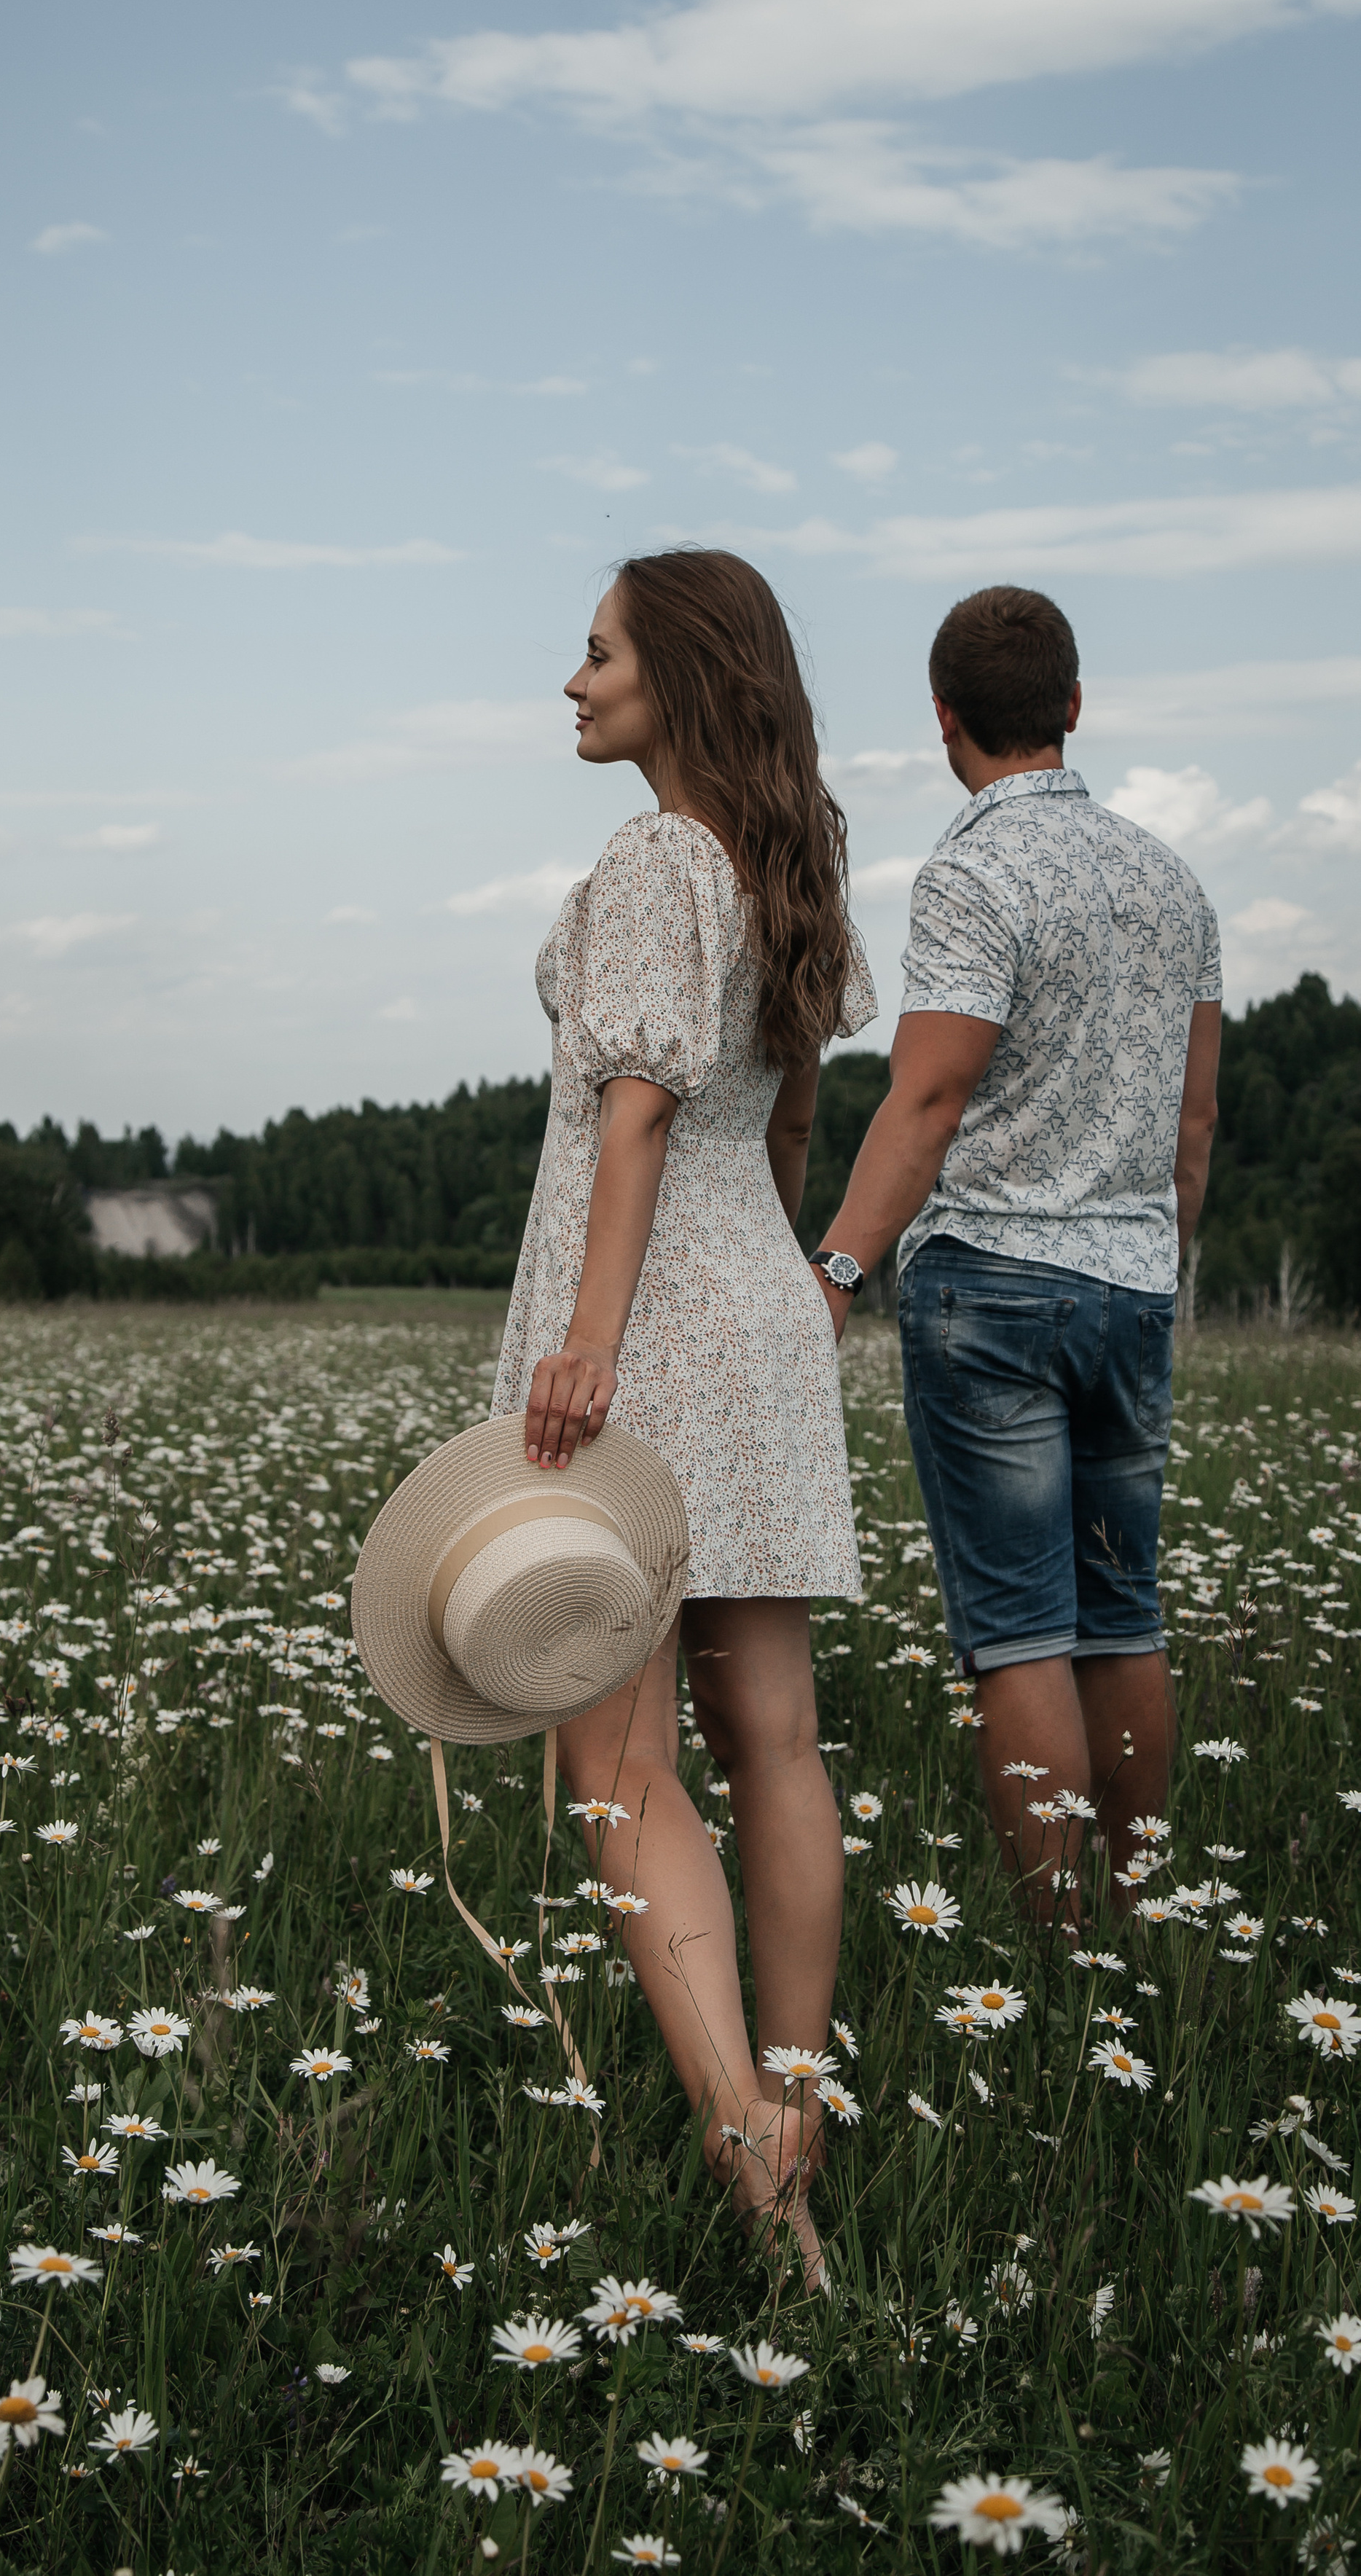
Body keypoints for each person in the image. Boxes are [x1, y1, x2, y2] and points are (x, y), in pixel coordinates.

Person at [492, 546, 875, 2287]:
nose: (570, 686)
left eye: (593, 657)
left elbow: (633, 1120)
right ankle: (796, 2111)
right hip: (759, 1301)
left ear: (680, 674)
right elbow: (787, 1116)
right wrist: (787, 1273)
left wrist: (584, 1345)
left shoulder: (654, 851)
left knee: (612, 1762)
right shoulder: (800, 846)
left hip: (641, 1321)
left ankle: (741, 2136)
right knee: (773, 1744)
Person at [809, 584, 1220, 1930]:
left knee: (1020, 1630)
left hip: (988, 1281)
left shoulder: (970, 875)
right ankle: (1141, 1913)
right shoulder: (1172, 880)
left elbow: (927, 1101)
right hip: (1132, 1279)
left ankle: (1056, 1953)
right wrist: (1160, 1259)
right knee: (1125, 1613)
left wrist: (840, 1271)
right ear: (1074, 707)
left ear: (945, 724)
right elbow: (1194, 1119)